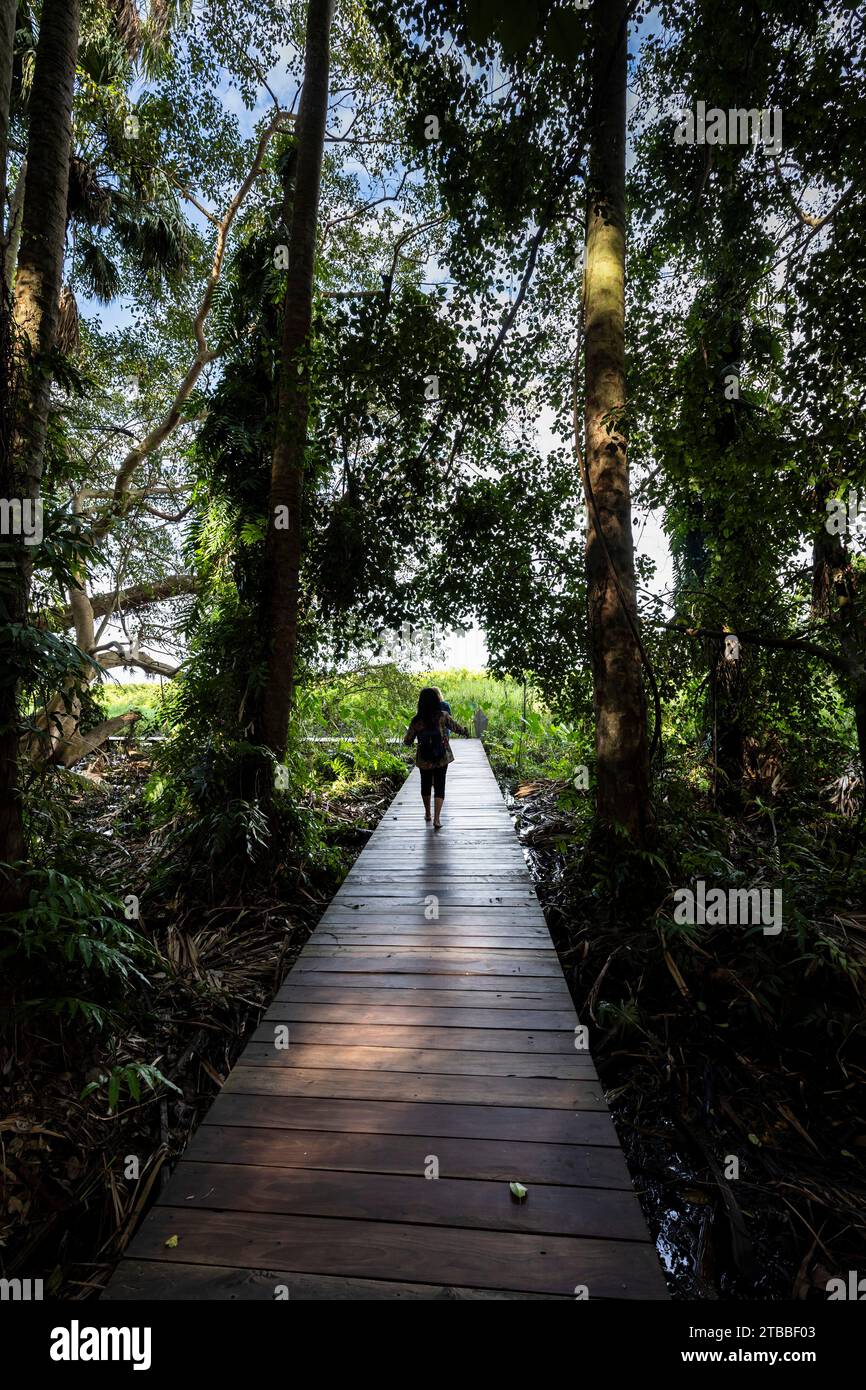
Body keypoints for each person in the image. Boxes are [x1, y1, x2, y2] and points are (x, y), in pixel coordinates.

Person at [403, 686, 467, 829]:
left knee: (425, 785)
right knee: (440, 785)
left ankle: (427, 813)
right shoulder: (443, 715)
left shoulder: (416, 720)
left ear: (421, 702)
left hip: (424, 758)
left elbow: (408, 741)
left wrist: (407, 738)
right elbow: (457, 728)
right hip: (441, 757)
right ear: (436, 700)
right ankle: (437, 819)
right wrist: (465, 732)